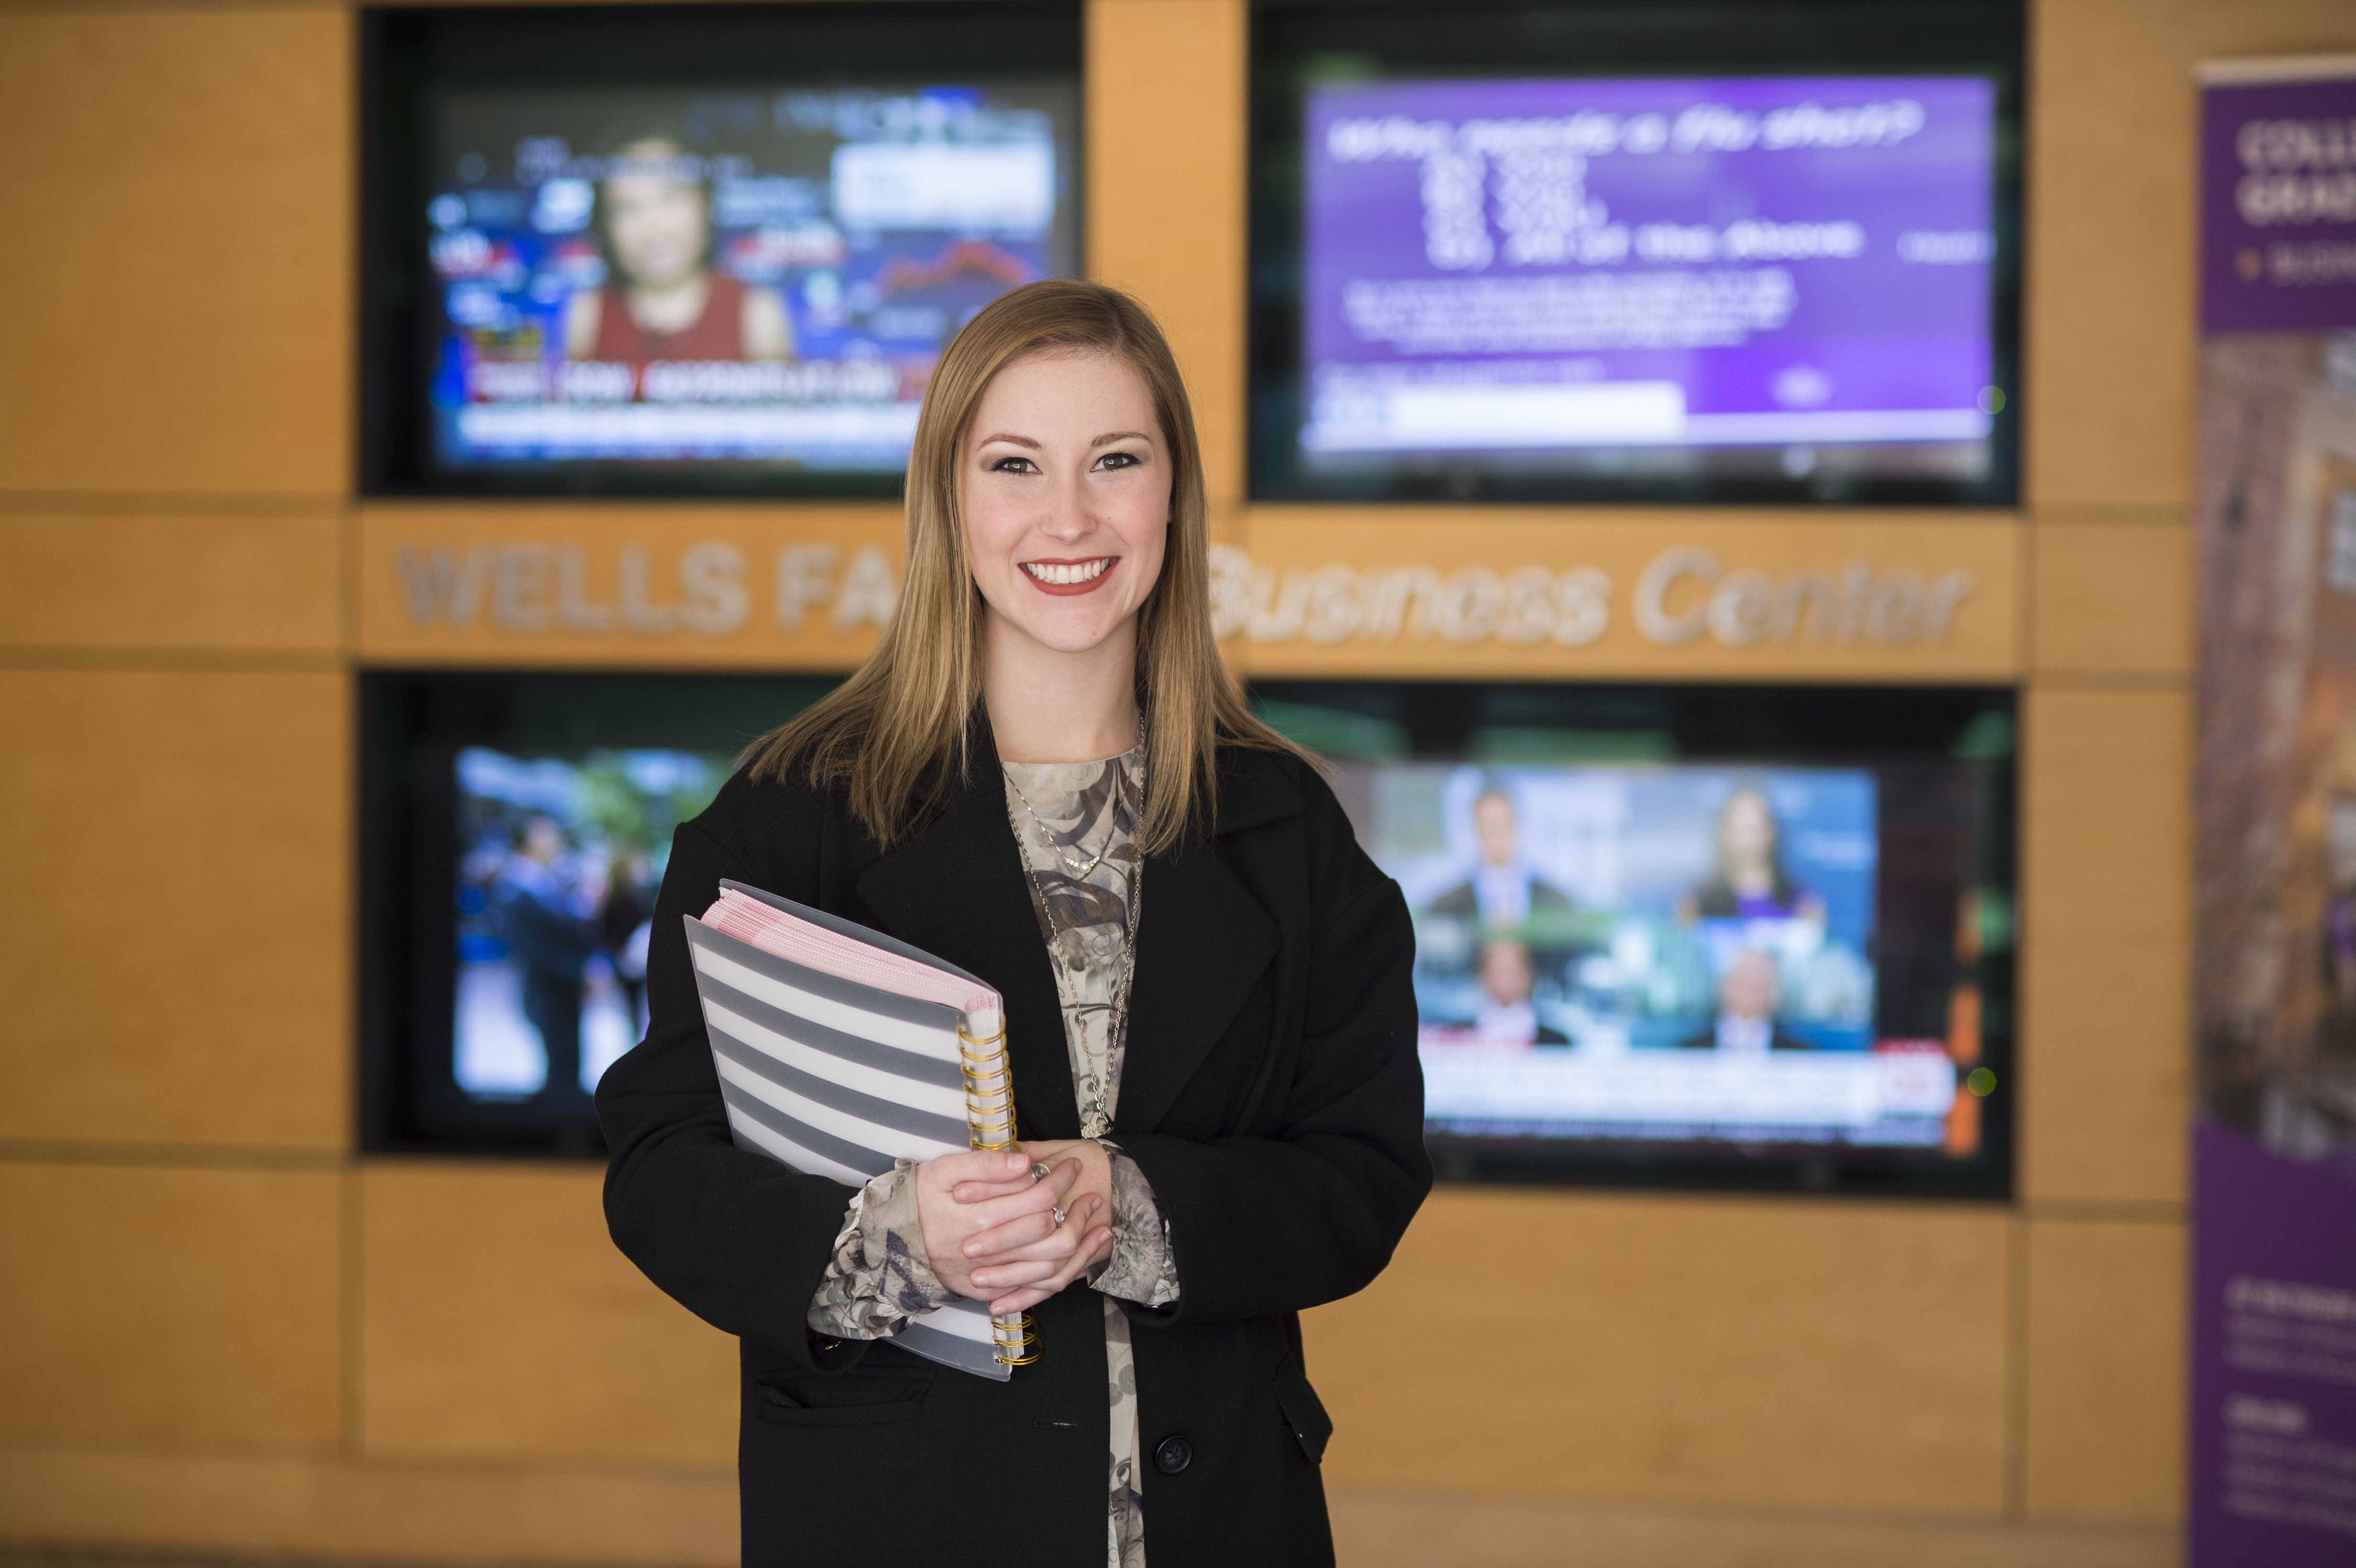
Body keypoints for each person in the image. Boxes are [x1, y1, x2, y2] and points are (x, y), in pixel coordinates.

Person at [596, 280, 1430, 1567]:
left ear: (1172, 496)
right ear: (949, 500)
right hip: (899, 1514)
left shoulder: (1288, 829)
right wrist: (891, 1234)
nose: (1071, 516)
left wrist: (1137, 1202)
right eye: (1016, 464)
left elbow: (1363, 1175)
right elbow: (661, 1167)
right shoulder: (787, 816)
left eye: (1117, 461)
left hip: (1218, 1521)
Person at [564, 135, 794, 374]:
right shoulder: (587, 315)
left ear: (706, 204)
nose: (654, 228)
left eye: (670, 199)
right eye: (628, 208)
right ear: (606, 225)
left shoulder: (756, 314)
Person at [492, 814, 597, 1100]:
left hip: (563, 991)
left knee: (569, 1065)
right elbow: (535, 951)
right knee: (560, 1070)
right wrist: (581, 972)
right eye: (545, 834)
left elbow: (568, 931)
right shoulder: (514, 889)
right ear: (526, 842)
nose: (555, 840)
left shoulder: (548, 881)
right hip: (545, 992)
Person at [1427, 786, 1574, 932]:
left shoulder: (1557, 903)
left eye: (1503, 824)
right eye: (1487, 826)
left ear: (1518, 827)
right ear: (1475, 831)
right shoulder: (1446, 907)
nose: (1496, 834)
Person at [1680, 785, 1827, 924]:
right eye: (1741, 829)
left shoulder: (1802, 904)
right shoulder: (1696, 905)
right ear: (1725, 834)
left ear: (1771, 831)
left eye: (1756, 828)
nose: (1749, 840)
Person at [1677, 948, 1812, 1053]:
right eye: (1742, 983)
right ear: (1722, 986)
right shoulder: (1686, 1053)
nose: (1750, 994)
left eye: (1760, 985)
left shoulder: (1802, 1057)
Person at [1467, 937, 1567, 1046]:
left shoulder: (1557, 1042)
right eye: (1498, 972)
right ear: (1482, 978)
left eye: (1512, 972)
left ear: (1530, 976)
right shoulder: (1456, 1037)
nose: (1505, 981)